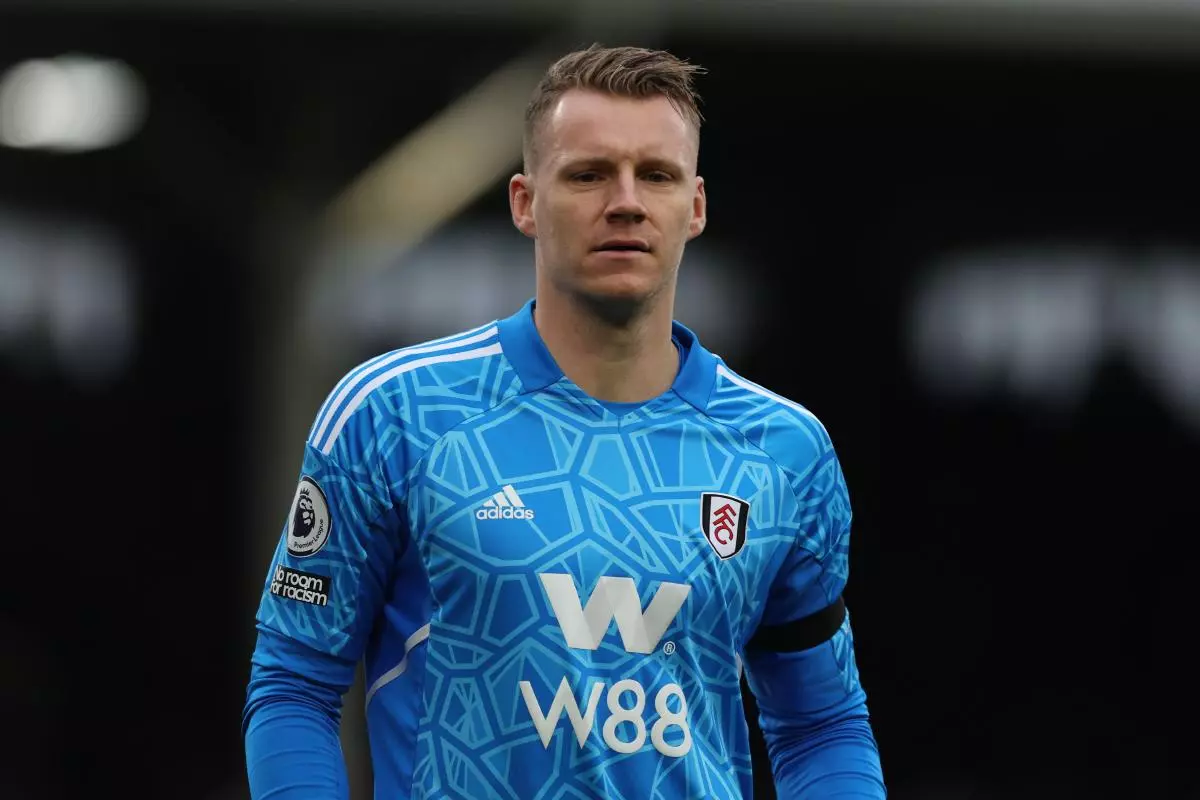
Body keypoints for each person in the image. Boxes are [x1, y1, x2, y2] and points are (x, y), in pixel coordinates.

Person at [243, 44, 886, 799]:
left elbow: (822, 724)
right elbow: (294, 688)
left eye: (657, 174)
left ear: (697, 206)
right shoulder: (395, 413)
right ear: (525, 201)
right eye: (587, 174)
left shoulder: (784, 451)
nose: (625, 201)